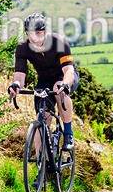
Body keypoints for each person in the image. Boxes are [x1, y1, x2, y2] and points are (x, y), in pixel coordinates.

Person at [8, 12, 79, 152]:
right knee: (42, 116)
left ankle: (68, 133)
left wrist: (65, 84)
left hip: (64, 77)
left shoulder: (59, 42)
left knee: (58, 89)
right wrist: (16, 85)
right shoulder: (22, 48)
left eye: (38, 32)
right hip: (44, 80)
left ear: (46, 31)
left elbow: (69, 71)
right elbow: (20, 76)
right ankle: (42, 163)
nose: (34, 37)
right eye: (30, 33)